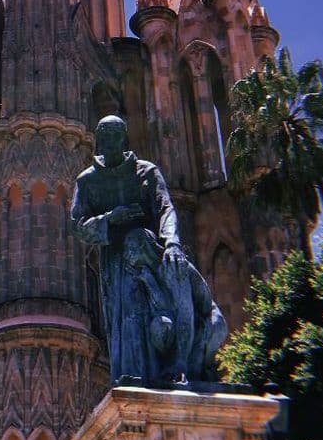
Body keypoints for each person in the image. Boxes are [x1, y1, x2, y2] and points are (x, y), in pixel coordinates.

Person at [70, 115, 227, 387]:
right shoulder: (87, 182)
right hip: (116, 263)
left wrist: (172, 243)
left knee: (173, 306)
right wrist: (110, 218)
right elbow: (77, 226)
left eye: (112, 136)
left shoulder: (147, 171)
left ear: (123, 138)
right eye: (102, 137)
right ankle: (135, 379)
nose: (107, 142)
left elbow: (166, 209)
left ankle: (175, 369)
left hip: (150, 249)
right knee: (128, 321)